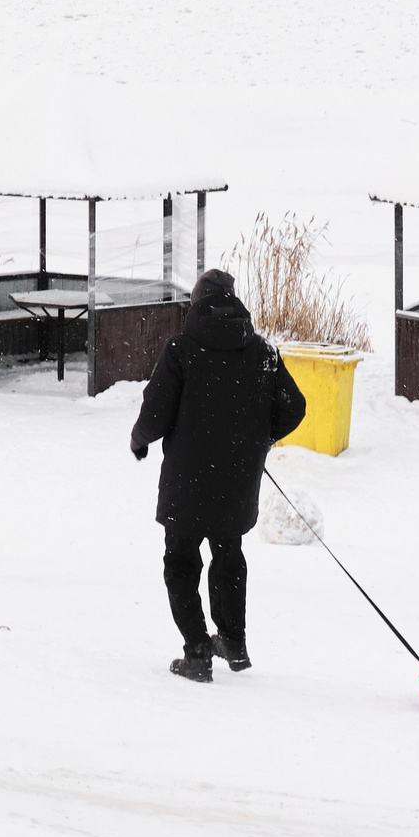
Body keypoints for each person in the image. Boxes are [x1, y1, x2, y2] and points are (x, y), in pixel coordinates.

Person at [130, 268, 307, 683]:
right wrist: (260, 438)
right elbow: (294, 407)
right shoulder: (262, 351)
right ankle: (233, 641)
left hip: (188, 479)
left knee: (181, 563)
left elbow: (156, 409)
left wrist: (140, 439)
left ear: (197, 304)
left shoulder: (181, 350)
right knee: (228, 557)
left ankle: (197, 653)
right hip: (235, 479)